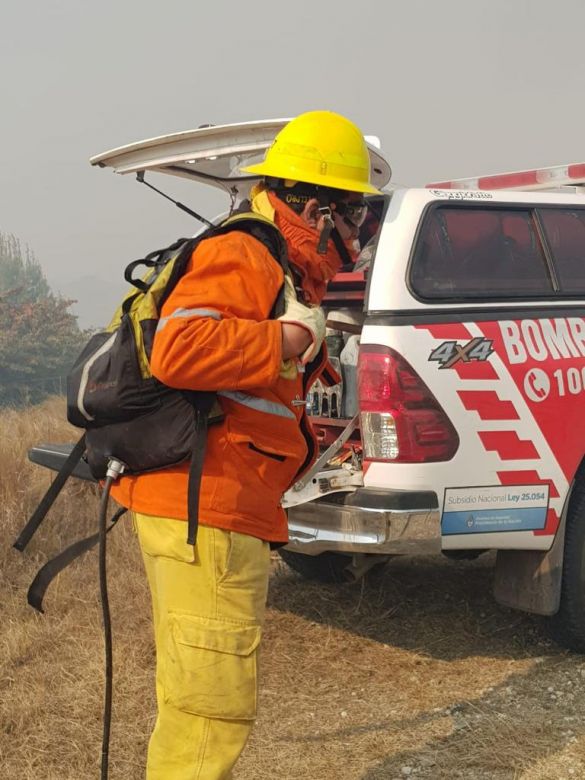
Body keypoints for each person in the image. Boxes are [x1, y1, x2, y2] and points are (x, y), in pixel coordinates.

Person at [109, 109, 381, 779]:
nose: (358, 237)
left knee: (196, 697)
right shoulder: (245, 250)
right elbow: (181, 350)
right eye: (353, 218)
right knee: (210, 710)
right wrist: (287, 340)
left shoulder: (277, 264)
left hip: (211, 500)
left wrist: (304, 342)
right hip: (207, 502)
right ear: (317, 208)